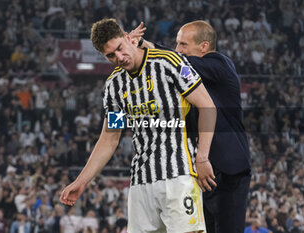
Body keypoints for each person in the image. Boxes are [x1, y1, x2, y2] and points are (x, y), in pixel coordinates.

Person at [60, 18, 217, 233]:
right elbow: (109, 138)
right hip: (141, 182)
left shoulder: (169, 62)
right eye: (111, 56)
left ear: (129, 38)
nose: (119, 57)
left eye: (120, 48)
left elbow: (207, 106)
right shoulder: (114, 86)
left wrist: (203, 157)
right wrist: (81, 181)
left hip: (179, 175)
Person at [131, 20, 251, 233]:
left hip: (226, 171)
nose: (178, 49)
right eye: (177, 44)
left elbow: (175, 62)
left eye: (183, 44)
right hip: (197, 170)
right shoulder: (187, 76)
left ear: (204, 46)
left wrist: (145, 45)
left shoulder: (219, 64)